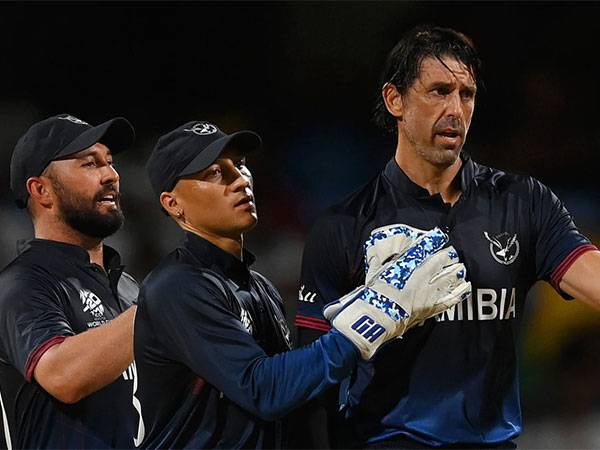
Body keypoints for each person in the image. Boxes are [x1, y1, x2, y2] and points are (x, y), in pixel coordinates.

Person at [294, 25, 600, 449]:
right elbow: (309, 379)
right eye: (438, 91)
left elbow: (593, 278)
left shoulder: (523, 203)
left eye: (466, 94)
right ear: (394, 100)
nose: (455, 109)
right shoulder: (343, 225)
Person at [132, 120, 471, 449]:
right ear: (172, 204)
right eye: (214, 173)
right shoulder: (177, 287)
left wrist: (368, 305)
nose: (240, 180)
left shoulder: (258, 286)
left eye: (239, 164)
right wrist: (373, 317)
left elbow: (293, 397)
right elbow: (264, 392)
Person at [0, 114, 139, 449]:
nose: (111, 175)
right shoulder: (22, 284)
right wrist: (166, 303)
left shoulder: (128, 287)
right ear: (41, 190)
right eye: (90, 164)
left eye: (110, 161)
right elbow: (63, 376)